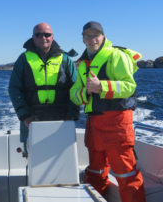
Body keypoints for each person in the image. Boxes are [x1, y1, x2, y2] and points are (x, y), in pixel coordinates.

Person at [70, 21, 146, 202]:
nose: (92, 39)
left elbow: (129, 87)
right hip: (94, 124)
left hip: (117, 123)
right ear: (83, 39)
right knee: (95, 172)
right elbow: (74, 94)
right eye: (87, 36)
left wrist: (101, 86)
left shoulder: (117, 56)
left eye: (95, 35)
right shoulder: (82, 65)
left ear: (103, 36)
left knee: (126, 174)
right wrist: (86, 91)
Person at [9, 22, 79, 151]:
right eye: (38, 35)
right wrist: (24, 116)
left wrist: (71, 115)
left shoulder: (65, 59)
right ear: (33, 37)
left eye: (47, 34)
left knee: (63, 156)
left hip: (62, 118)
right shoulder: (23, 59)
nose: (43, 38)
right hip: (31, 118)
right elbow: (14, 88)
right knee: (33, 157)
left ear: (52, 36)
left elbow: (76, 88)